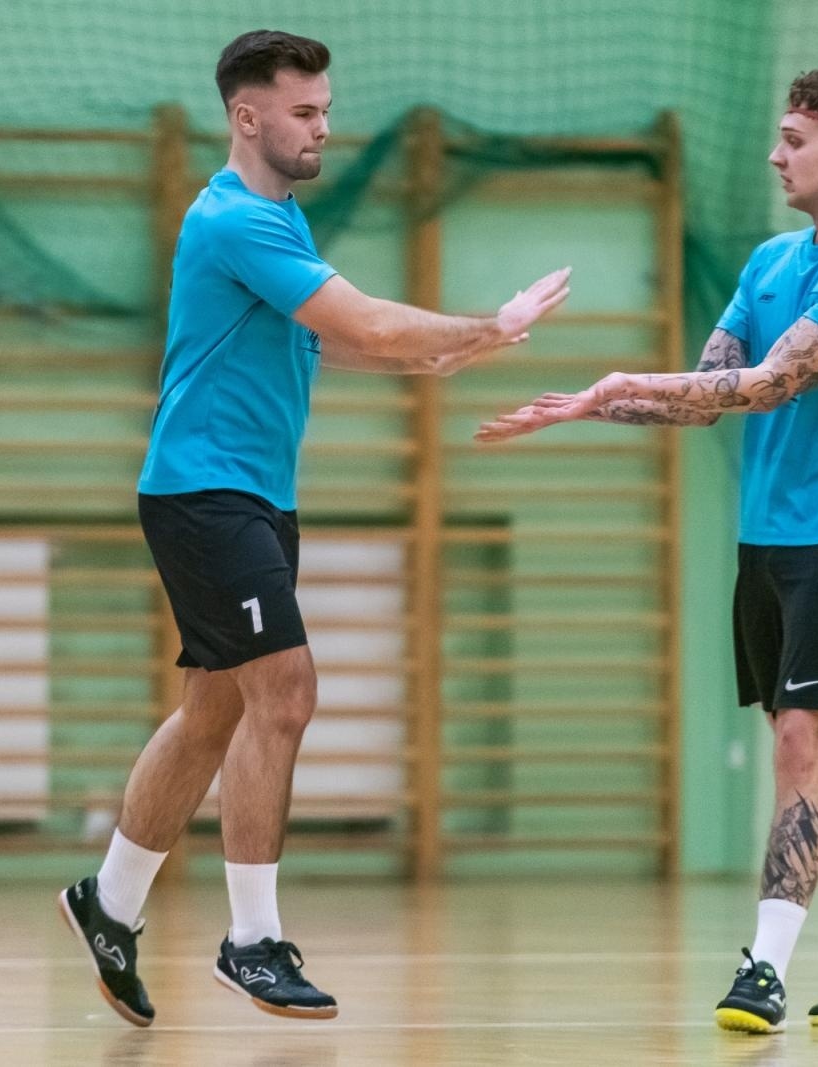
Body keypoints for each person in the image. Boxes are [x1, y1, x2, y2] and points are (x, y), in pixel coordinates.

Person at [57, 29, 570, 1027]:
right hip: (207, 492)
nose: (322, 126)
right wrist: (485, 327)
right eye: (302, 111)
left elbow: (327, 342)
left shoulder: (279, 222)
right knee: (286, 693)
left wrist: (431, 356)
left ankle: (109, 901)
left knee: (212, 712)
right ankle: (251, 937)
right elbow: (367, 322)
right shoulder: (235, 220)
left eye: (325, 110)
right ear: (247, 116)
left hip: (246, 495)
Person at [476, 67, 818, 1034]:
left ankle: (763, 969)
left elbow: (771, 384)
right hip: (764, 535)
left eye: (793, 139)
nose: (777, 155)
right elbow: (710, 385)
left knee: (802, 740)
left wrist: (615, 381)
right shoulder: (770, 261)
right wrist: (593, 407)